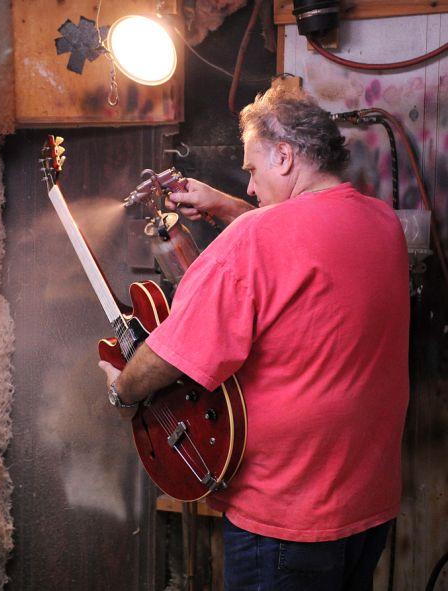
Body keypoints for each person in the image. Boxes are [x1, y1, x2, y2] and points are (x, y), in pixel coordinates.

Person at [99, 85, 410, 590]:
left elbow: (174, 355)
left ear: (284, 156)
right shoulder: (380, 222)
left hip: (287, 518)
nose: (248, 187)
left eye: (250, 169)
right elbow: (302, 249)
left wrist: (122, 390)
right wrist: (224, 207)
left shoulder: (255, 240)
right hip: (367, 507)